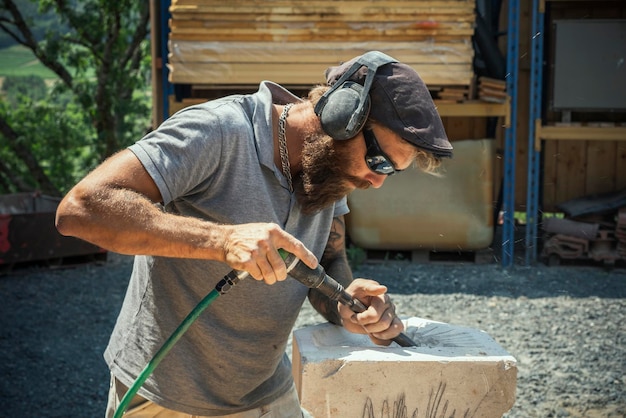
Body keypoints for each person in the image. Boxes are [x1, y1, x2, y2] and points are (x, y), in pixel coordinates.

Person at [55, 50, 453, 418]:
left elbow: (326, 260)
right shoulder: (219, 132)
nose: (377, 181)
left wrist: (347, 302)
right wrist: (221, 241)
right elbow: (81, 209)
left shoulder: (329, 170)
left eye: (390, 171)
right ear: (342, 115)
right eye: (378, 161)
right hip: (167, 395)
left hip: (266, 393)